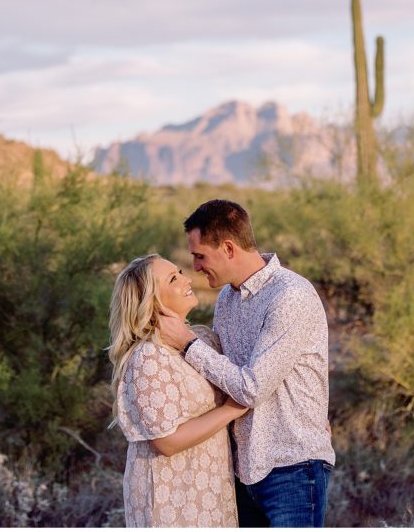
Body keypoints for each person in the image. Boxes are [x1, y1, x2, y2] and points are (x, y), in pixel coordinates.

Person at [159, 199, 335, 527]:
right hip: (243, 472)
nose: (195, 267)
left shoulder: (290, 295)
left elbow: (251, 388)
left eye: (200, 256)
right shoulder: (226, 299)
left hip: (292, 469)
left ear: (228, 248)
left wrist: (186, 343)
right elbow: (224, 374)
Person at [108, 253, 248, 527]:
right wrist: (232, 409)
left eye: (180, 272)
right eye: (173, 279)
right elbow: (166, 442)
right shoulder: (148, 356)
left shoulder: (203, 340)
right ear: (152, 300)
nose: (186, 279)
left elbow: (248, 374)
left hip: (211, 489)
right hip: (171, 493)